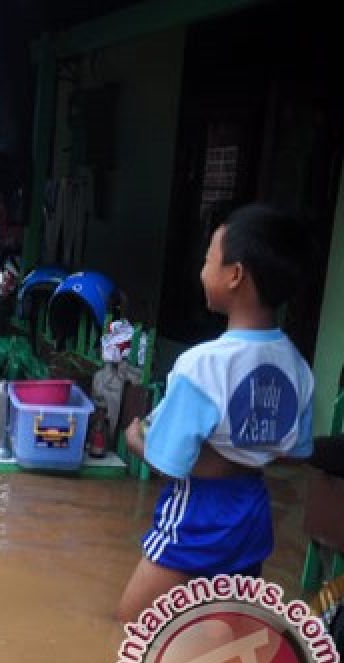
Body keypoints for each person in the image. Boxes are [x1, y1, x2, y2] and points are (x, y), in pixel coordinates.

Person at [116, 204, 315, 622]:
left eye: (208, 259)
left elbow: (169, 464)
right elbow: (294, 451)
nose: (203, 269)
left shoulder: (201, 365)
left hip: (197, 510)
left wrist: (136, 440)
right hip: (254, 512)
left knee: (130, 628)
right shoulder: (297, 365)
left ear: (235, 275)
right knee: (221, 634)